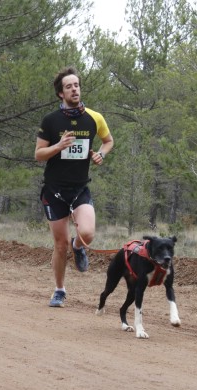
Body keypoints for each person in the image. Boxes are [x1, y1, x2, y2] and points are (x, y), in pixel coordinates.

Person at [35, 66, 114, 308]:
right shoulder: (51, 120)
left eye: (77, 85)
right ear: (61, 93)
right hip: (55, 190)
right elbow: (38, 154)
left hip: (80, 188)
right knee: (59, 245)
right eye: (69, 86)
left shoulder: (94, 117)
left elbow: (108, 141)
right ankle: (59, 290)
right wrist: (58, 146)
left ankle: (78, 247)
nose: (74, 89)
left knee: (87, 233)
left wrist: (101, 154)